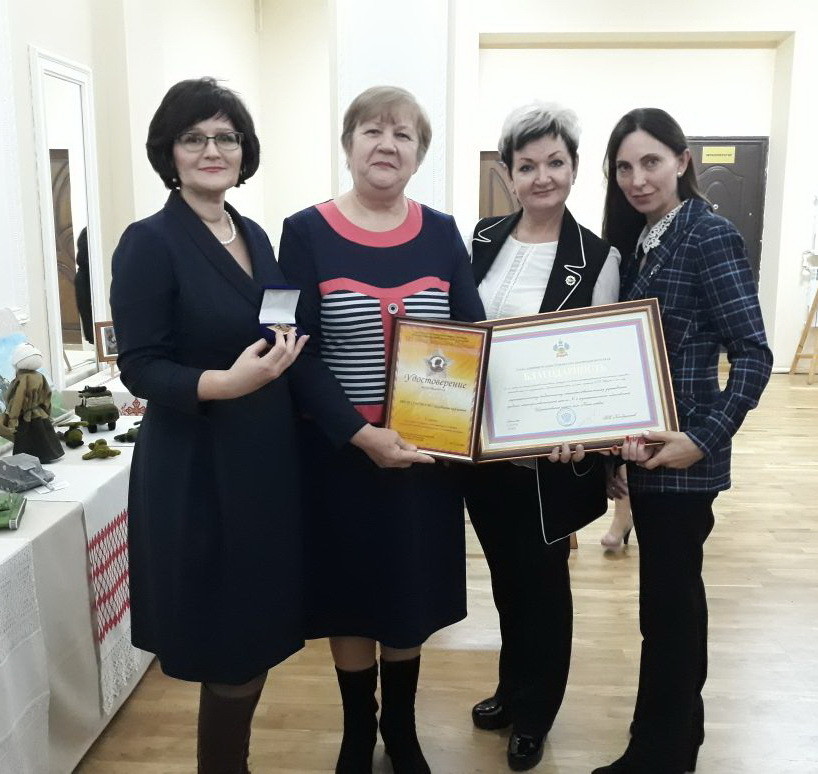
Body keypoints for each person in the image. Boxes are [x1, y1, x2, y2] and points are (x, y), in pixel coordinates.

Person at [110, 77, 318, 774]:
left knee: (256, 631)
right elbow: (139, 366)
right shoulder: (149, 242)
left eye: (226, 137)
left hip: (265, 457)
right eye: (193, 137)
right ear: (169, 153)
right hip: (198, 465)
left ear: (243, 150)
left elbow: (280, 318)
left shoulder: (253, 233)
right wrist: (223, 384)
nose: (212, 150)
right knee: (228, 641)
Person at [278, 85, 484, 774]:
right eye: (372, 130)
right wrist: (359, 435)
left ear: (419, 154)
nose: (387, 145)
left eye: (403, 135)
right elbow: (293, 349)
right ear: (348, 145)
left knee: (407, 594)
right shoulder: (304, 233)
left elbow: (470, 333)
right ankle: (356, 733)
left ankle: (401, 727)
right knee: (350, 596)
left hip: (425, 453)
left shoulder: (442, 232)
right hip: (340, 455)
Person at [593, 108, 773, 774]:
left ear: (682, 161)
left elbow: (753, 354)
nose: (637, 179)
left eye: (650, 162)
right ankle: (666, 743)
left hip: (684, 462)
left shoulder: (707, 234)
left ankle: (662, 753)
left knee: (670, 612)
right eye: (624, 167)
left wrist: (702, 438)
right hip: (646, 459)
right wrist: (613, 453)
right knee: (665, 609)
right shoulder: (642, 240)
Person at [464, 102, 620, 771]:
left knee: (545, 587)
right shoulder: (482, 237)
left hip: (551, 458)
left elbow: (603, 360)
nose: (542, 176)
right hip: (481, 449)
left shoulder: (598, 257)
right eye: (526, 165)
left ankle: (537, 711)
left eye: (555, 162)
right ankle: (511, 686)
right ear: (507, 172)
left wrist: (589, 436)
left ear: (575, 167)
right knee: (505, 578)